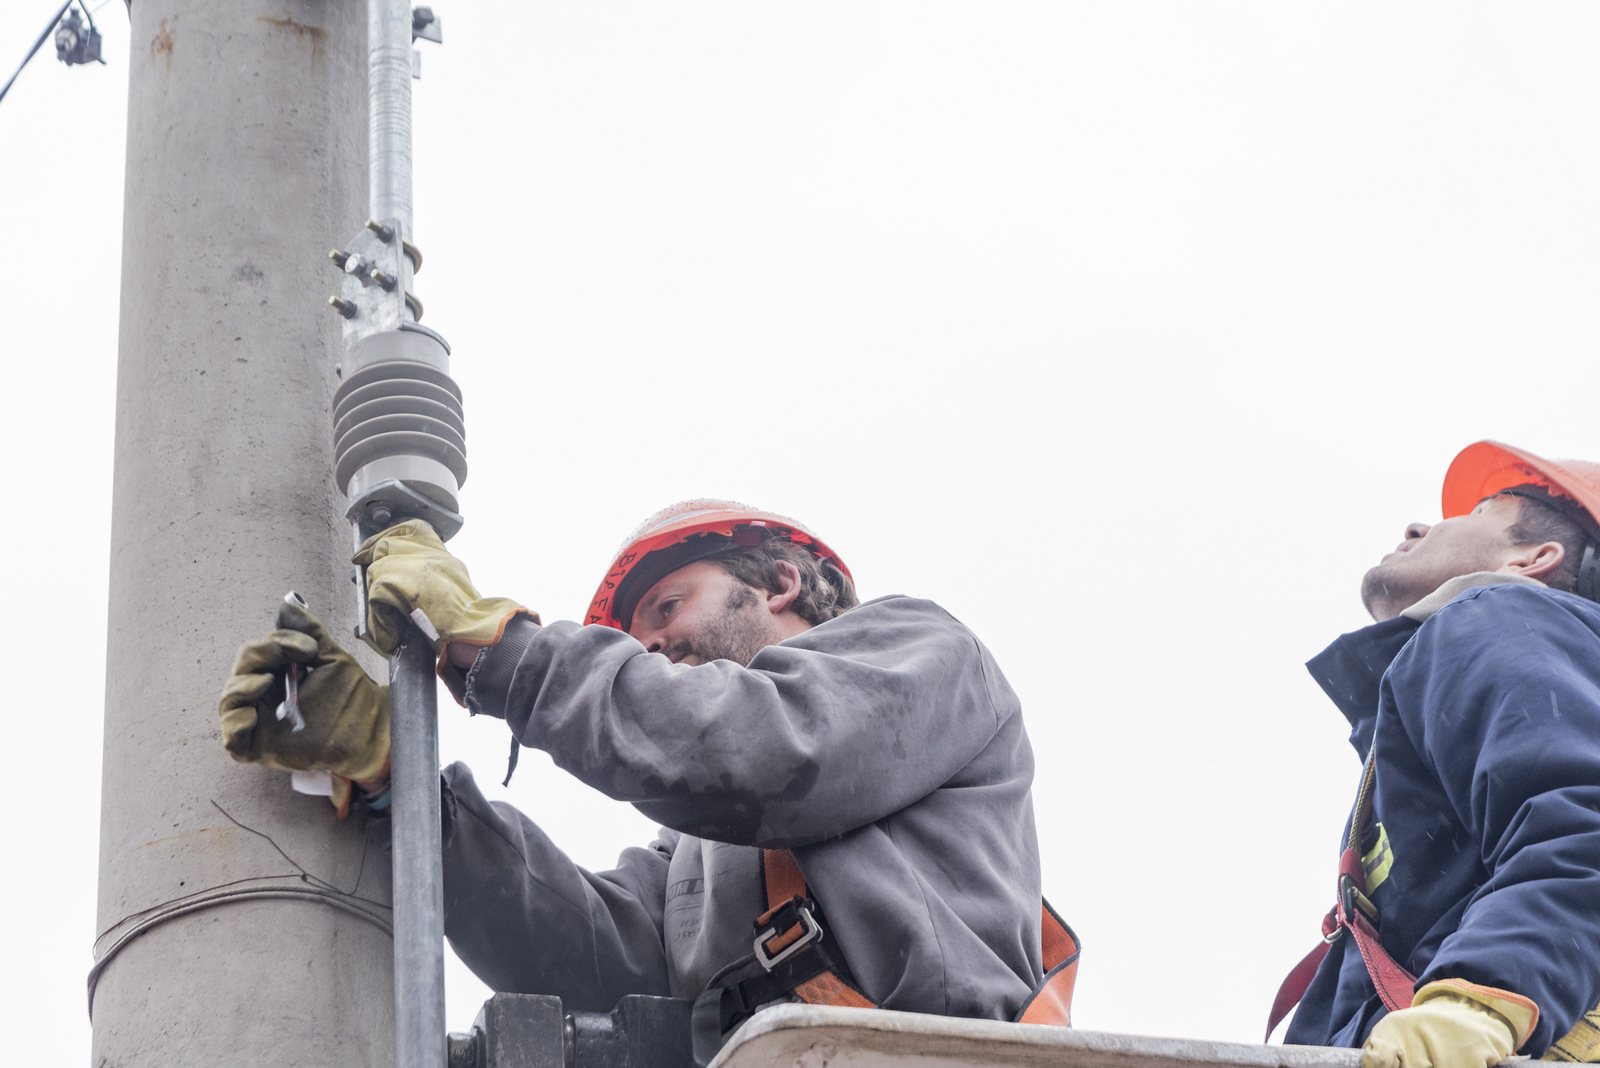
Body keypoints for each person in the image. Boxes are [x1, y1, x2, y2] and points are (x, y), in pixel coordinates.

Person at [218, 500, 1076, 1050]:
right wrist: (405, 791)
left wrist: (500, 648)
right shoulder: (700, 839)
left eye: (668, 608)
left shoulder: (921, 656)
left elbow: (758, 749)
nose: (651, 645)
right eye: (637, 638)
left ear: (780, 582)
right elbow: (601, 953)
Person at [1273, 441, 1600, 1068]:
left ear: (1534, 559)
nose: (1418, 526)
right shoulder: (1465, 677)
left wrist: (1482, 1001)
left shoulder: (1493, 616)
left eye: (1481, 510)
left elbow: (1585, 824)